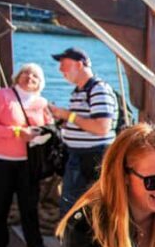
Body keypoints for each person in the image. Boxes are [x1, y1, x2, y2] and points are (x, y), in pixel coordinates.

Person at [0, 63, 54, 247]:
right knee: (1, 203)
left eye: (35, 76)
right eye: (25, 73)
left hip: (29, 162)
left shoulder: (42, 103)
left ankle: (34, 241)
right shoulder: (2, 96)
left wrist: (46, 131)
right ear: (17, 77)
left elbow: (48, 126)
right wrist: (18, 132)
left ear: (40, 83)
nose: (30, 77)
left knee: (29, 204)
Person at [49, 47, 117, 216]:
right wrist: (64, 121)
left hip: (93, 156)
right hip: (79, 155)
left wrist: (68, 116)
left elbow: (102, 128)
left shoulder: (98, 89)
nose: (60, 70)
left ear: (79, 65)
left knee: (84, 205)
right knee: (73, 204)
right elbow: (83, 122)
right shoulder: (79, 91)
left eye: (64, 64)